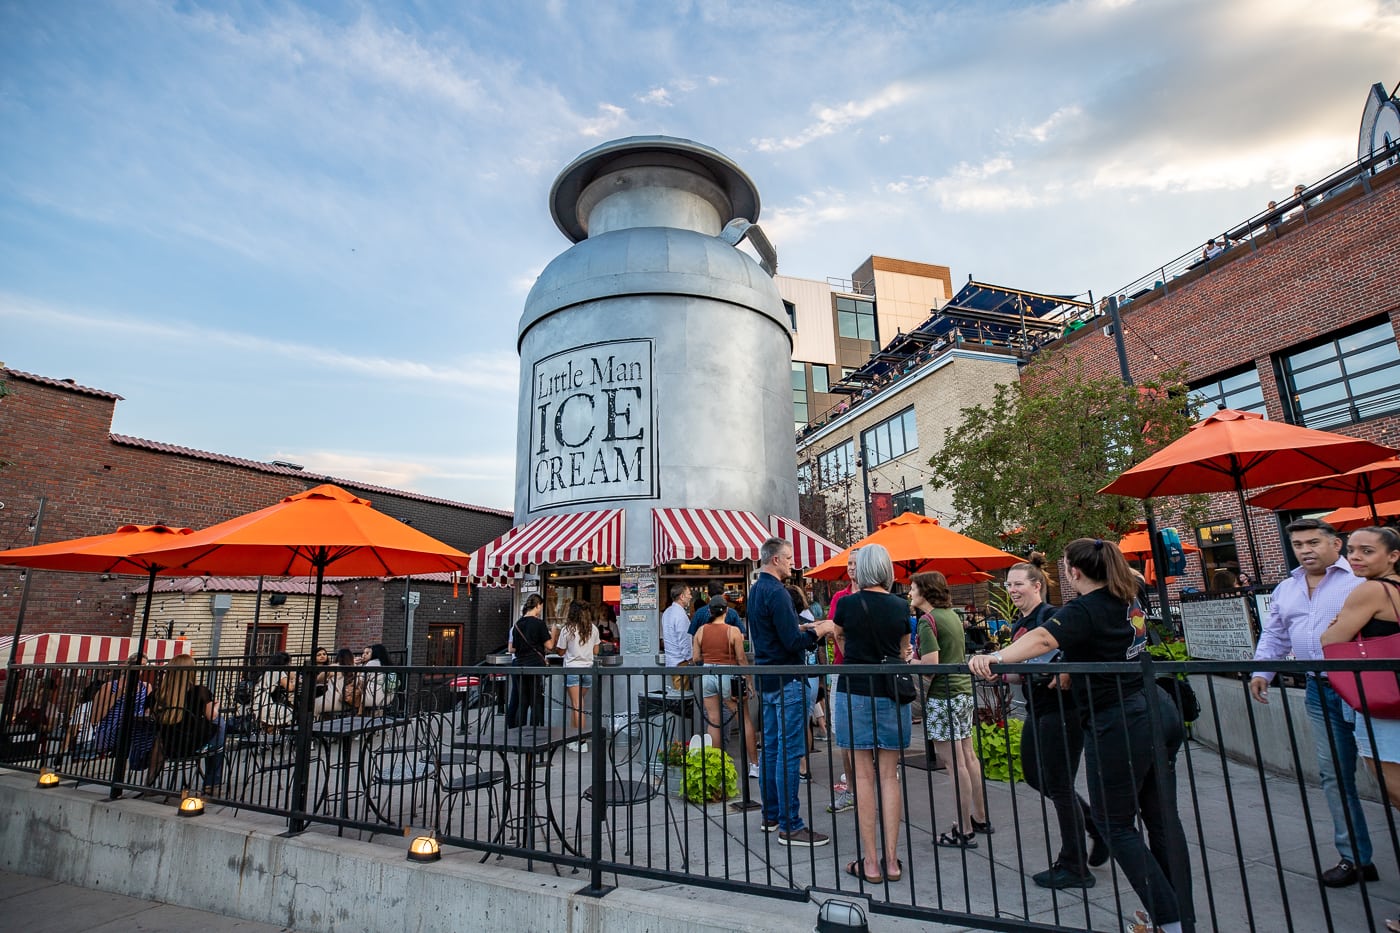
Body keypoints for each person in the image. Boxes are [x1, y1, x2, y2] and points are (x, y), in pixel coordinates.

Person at [971, 539, 1194, 933]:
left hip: (1121, 717)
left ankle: (1169, 920)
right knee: (1161, 818)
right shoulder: (1127, 595)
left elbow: (1042, 640)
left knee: (1115, 823)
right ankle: (1179, 914)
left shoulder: (1084, 608)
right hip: (1156, 707)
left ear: (1073, 572)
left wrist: (995, 656)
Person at [1250, 518, 1373, 887]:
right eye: (1299, 544)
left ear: (1336, 545)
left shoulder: (1360, 580)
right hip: (1319, 690)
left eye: (1313, 542)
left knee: (1388, 777)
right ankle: (1355, 857)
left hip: (1365, 687)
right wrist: (1261, 672)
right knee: (1334, 774)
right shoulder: (1287, 588)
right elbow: (1275, 634)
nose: (1305, 550)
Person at [1005, 557, 1105, 887]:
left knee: (1059, 784)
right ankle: (1094, 826)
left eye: (1018, 583)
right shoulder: (1021, 624)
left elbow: (1080, 645)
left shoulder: (1051, 616)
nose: (1012, 589)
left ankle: (1075, 865)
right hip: (1039, 708)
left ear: (1037, 586)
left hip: (1062, 710)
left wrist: (1064, 669)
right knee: (1036, 776)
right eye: (1008, 584)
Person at [1320, 526, 1400, 933]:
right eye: (1352, 550)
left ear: (1393, 555)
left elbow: (1332, 639)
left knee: (1394, 790)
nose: (1356, 557)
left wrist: (1337, 622)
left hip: (1384, 704)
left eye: (1368, 551)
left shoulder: (1370, 591)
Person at [749, 536, 838, 847]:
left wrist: (805, 629)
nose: (791, 563)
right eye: (788, 558)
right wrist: (819, 633)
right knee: (788, 753)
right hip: (788, 681)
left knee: (770, 751)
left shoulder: (757, 590)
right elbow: (791, 642)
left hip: (769, 680)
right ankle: (791, 825)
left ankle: (771, 815)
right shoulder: (777, 592)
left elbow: (775, 633)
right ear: (775, 560)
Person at [831, 544, 912, 883]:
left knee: (862, 778)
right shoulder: (901, 605)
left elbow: (839, 637)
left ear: (861, 570)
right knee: (889, 777)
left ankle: (871, 863)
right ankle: (892, 861)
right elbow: (905, 649)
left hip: (856, 691)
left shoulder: (847, 604)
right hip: (893, 693)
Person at [909, 571, 989, 849]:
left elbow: (931, 664)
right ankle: (980, 817)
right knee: (968, 757)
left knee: (953, 763)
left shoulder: (926, 621)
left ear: (925, 591)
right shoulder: (952, 616)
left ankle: (964, 829)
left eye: (913, 588)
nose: (910, 592)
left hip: (943, 695)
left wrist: (911, 661)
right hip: (964, 691)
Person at [691, 594, 757, 777]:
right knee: (743, 719)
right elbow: (741, 658)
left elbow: (696, 658)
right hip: (729, 674)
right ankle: (754, 765)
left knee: (713, 720)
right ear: (726, 611)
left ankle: (716, 764)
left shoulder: (701, 631)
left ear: (709, 612)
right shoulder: (733, 631)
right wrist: (749, 680)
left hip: (708, 675)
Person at [149, 654, 224, 793]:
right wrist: (215, 706)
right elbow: (212, 716)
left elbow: (148, 714)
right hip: (192, 744)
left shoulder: (157, 694)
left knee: (219, 726)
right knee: (220, 724)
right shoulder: (199, 692)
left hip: (168, 745)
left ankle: (149, 782)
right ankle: (212, 783)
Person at [826, 550, 859, 814]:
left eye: (855, 564)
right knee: (844, 732)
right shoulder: (840, 597)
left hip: (869, 671)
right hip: (843, 668)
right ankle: (851, 788)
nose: (850, 568)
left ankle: (872, 782)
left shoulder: (878, 596)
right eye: (848, 563)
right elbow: (834, 631)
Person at [554, 599, 600, 748]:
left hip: (573, 668)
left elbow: (560, 652)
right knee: (579, 704)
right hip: (588, 669)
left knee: (577, 705)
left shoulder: (568, 629)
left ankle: (581, 740)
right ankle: (573, 737)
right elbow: (596, 651)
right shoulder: (593, 629)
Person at [506, 594, 552, 728]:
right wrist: (554, 633)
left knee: (522, 700)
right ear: (537, 605)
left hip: (520, 665)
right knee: (536, 700)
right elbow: (549, 645)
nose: (541, 609)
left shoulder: (517, 625)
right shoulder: (539, 623)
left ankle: (519, 732)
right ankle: (535, 732)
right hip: (535, 666)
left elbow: (513, 648)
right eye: (541, 607)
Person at [253, 652, 296, 729]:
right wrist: (292, 678)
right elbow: (290, 688)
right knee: (291, 712)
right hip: (265, 706)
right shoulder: (278, 672)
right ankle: (275, 733)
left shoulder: (265, 671)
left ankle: (269, 731)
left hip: (256, 704)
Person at [662, 583, 694, 670]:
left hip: (671, 661)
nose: (690, 597)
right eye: (689, 594)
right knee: (683, 684)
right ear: (682, 597)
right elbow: (684, 639)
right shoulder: (680, 615)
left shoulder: (667, 612)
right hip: (681, 662)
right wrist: (690, 659)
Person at [359, 643, 393, 712]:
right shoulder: (388, 664)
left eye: (370, 652)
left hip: (372, 696)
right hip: (388, 697)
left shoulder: (371, 664)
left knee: (353, 694)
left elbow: (361, 681)